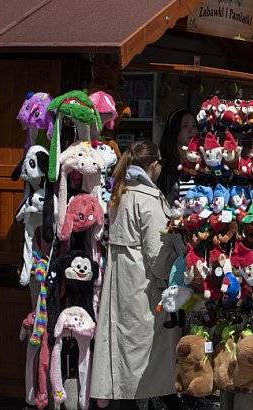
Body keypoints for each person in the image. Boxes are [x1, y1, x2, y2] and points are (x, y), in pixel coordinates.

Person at [90, 140, 185, 409]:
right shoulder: (148, 199)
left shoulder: (121, 193)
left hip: (123, 288)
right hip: (144, 290)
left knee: (126, 357)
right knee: (144, 360)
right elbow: (159, 257)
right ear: (154, 165)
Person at [158, 108, 198, 204]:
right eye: (185, 126)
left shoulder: (203, 165)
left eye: (194, 125)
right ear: (174, 130)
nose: (191, 130)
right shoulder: (164, 167)